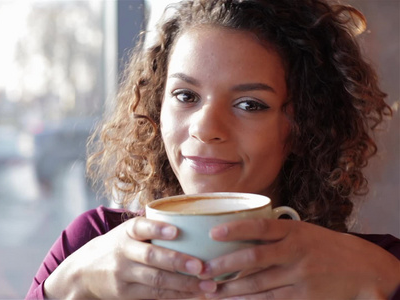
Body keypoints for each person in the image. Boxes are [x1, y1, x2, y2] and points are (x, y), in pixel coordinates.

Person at [26, 0, 400, 299]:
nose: (205, 128)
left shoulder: (377, 267)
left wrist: (383, 281)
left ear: (305, 126)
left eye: (250, 104)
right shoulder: (89, 245)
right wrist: (70, 286)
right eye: (185, 95)